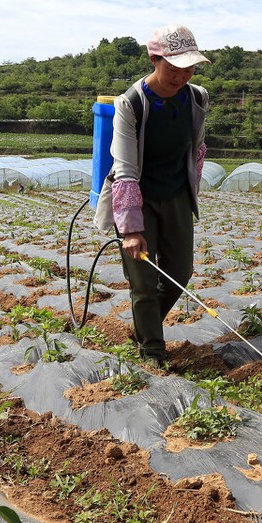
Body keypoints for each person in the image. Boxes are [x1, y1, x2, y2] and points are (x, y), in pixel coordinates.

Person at [93, 24, 210, 367]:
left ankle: (145, 327)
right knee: (142, 284)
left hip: (175, 196)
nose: (181, 76)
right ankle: (153, 354)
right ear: (154, 59)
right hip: (136, 198)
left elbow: (197, 148)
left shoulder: (197, 98)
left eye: (188, 68)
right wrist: (130, 229)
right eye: (173, 68)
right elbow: (126, 167)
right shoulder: (132, 103)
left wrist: (191, 193)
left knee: (180, 273)